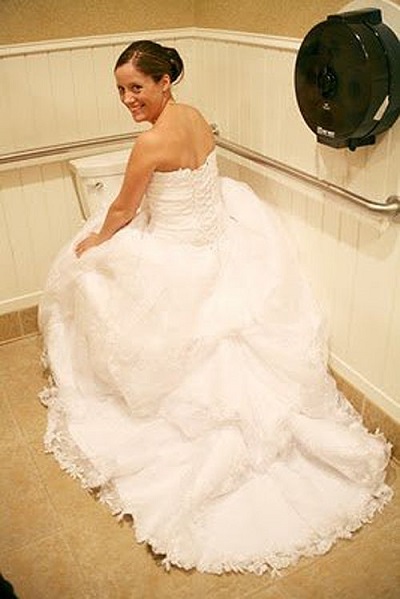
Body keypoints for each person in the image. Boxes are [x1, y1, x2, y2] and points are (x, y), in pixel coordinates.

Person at [39, 40, 392, 575]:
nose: (128, 99)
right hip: (219, 244)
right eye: (120, 90)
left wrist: (94, 242)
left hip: (176, 253)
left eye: (136, 87)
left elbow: (123, 209)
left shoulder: (149, 144)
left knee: (87, 270)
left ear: (164, 82)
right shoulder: (196, 117)